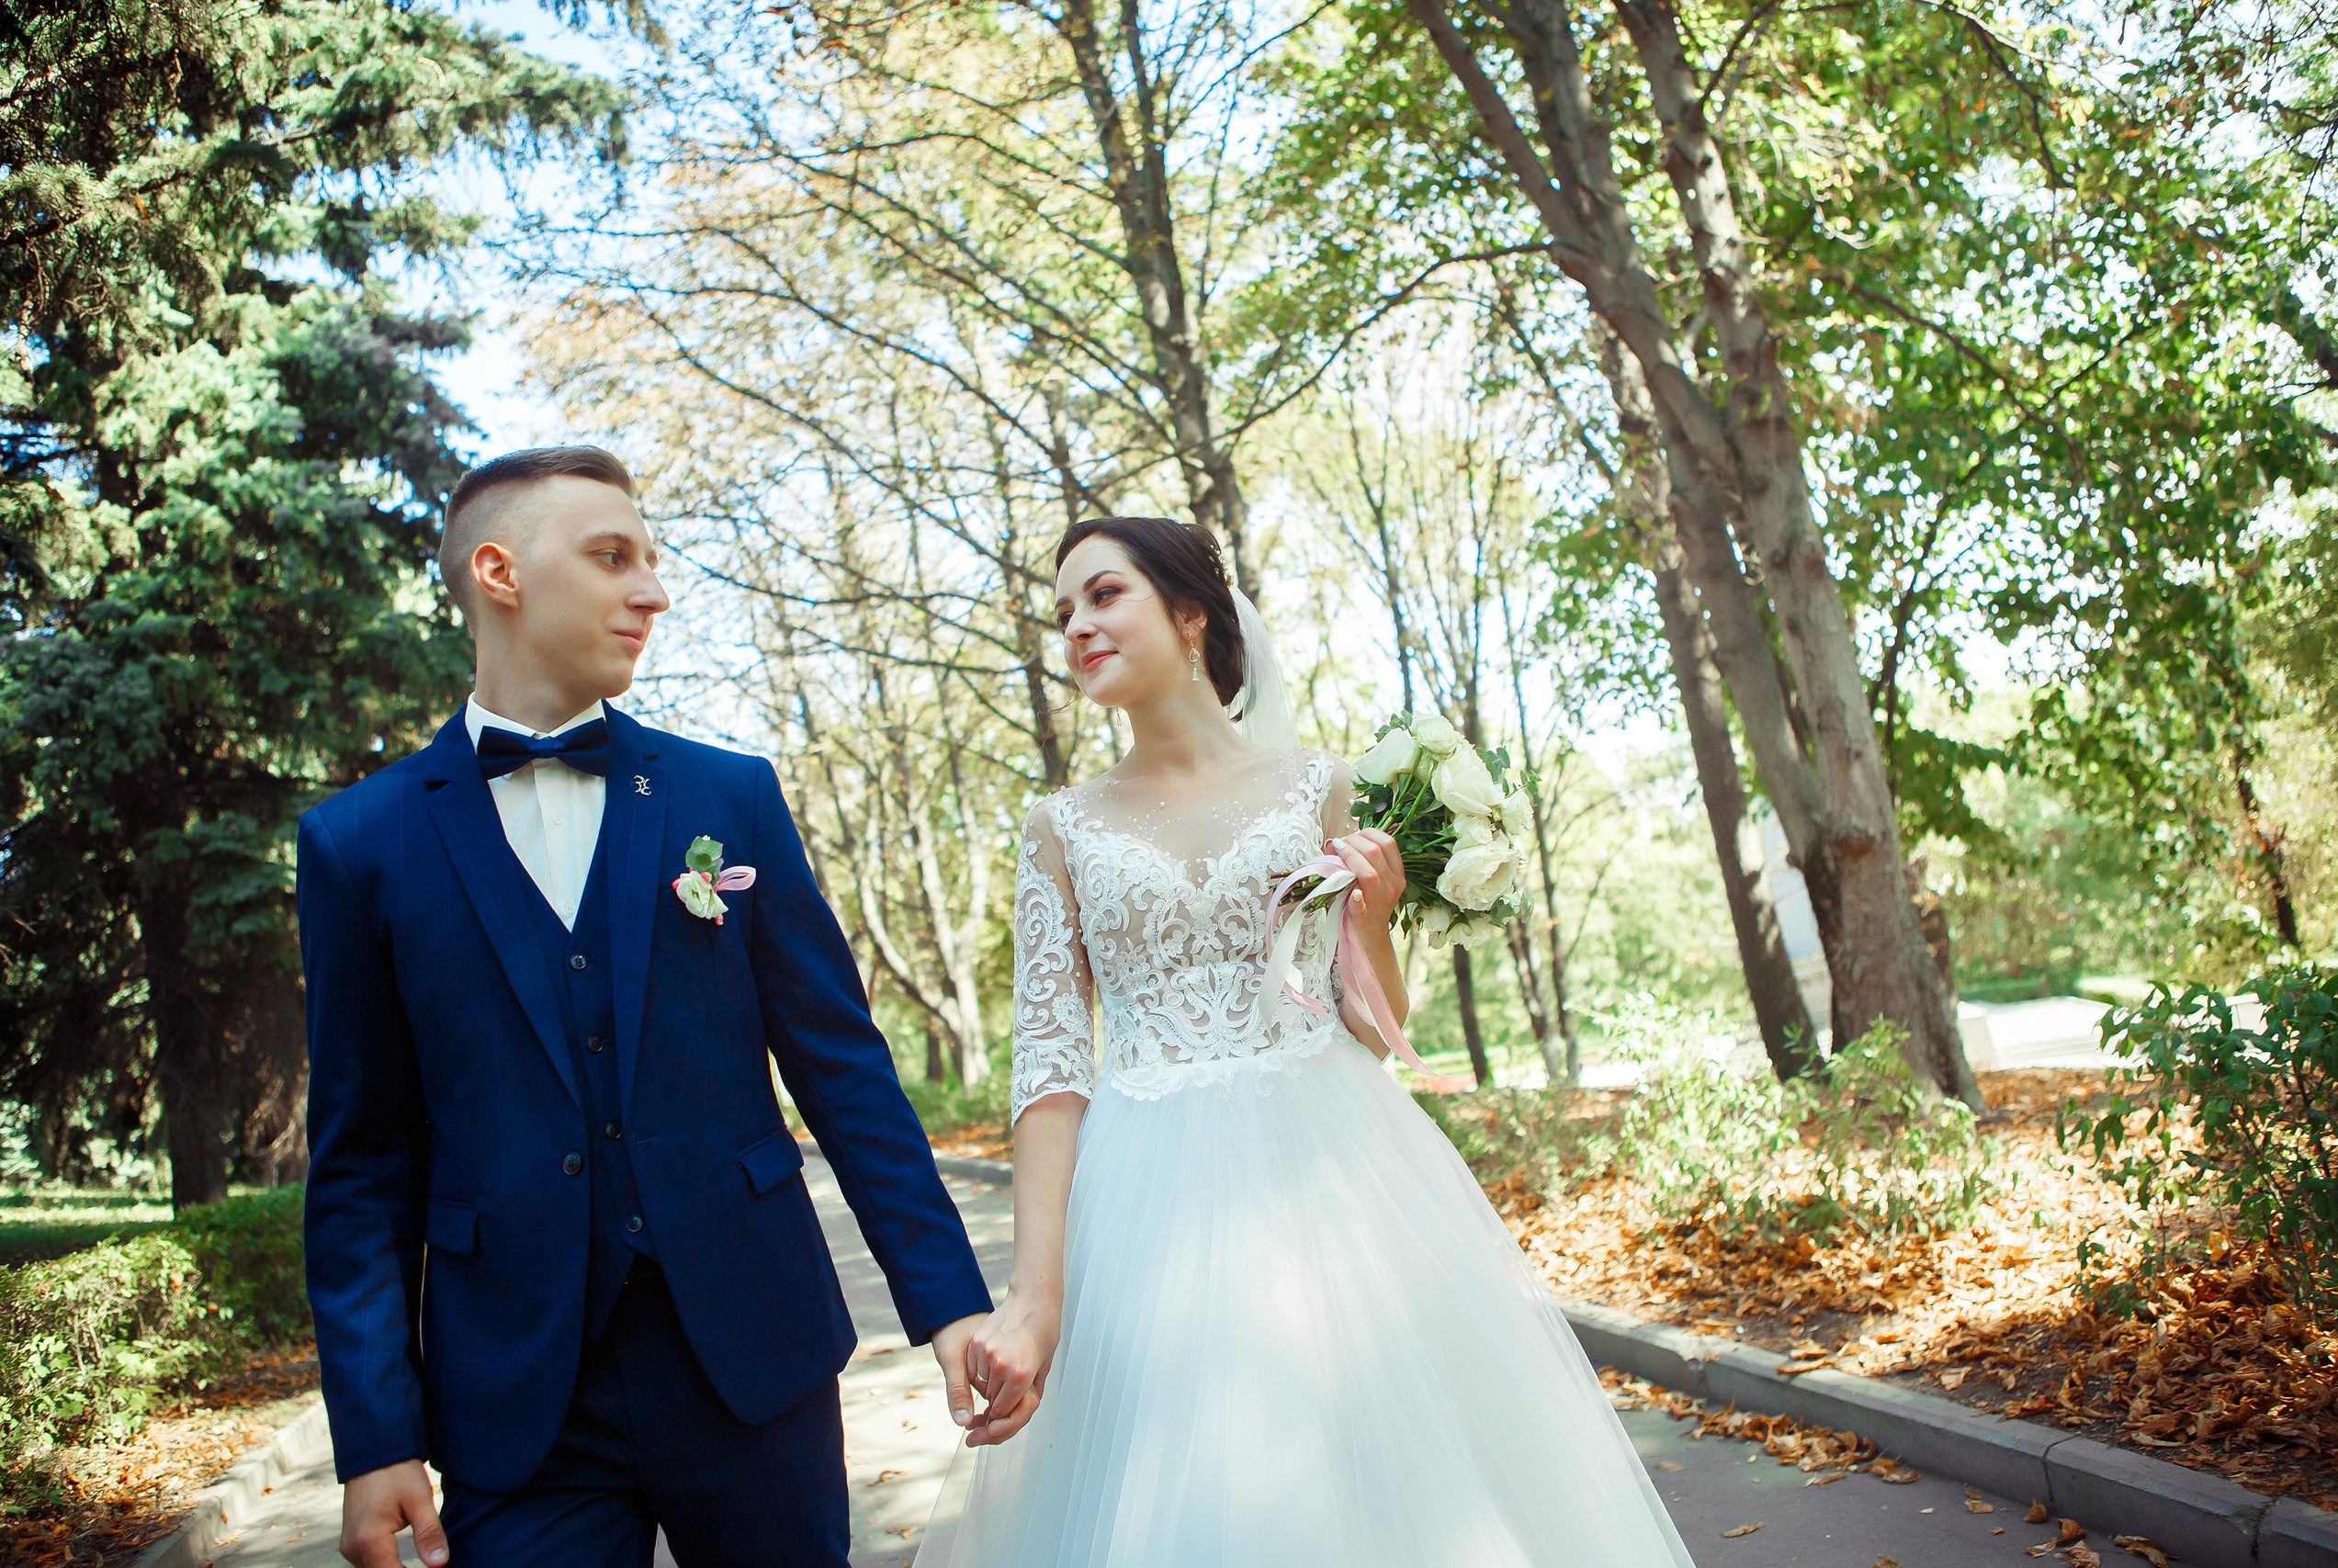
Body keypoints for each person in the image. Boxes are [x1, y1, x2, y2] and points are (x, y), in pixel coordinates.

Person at [914, 516, 1696, 1567]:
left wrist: (1372, 915)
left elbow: (1370, 1031)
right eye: (1063, 615)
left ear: (1190, 613)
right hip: (1144, 1203)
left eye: (1104, 596)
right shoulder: (1060, 827)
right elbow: (1050, 1070)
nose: (1078, 628)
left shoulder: (1317, 788)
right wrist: (1035, 1296)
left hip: (1333, 1174)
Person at [298, 446, 994, 1568]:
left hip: (753, 1361)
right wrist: (373, 1438)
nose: (654, 592)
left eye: (653, 561)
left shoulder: (730, 797)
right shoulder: (358, 844)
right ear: (499, 573)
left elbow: (842, 1070)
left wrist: (951, 1301)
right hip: (518, 1404)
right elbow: (361, 1165)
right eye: (613, 556)